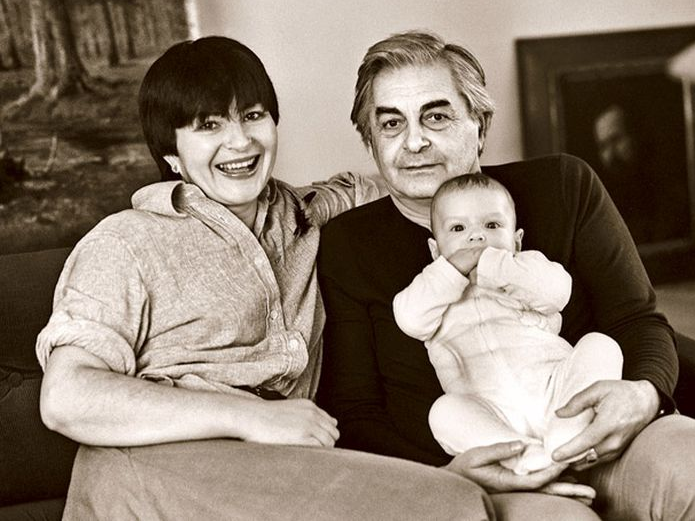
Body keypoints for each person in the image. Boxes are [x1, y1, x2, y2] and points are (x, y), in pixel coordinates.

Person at [35, 36, 498, 520]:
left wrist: (470, 158)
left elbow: (417, 176)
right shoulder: (126, 241)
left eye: (253, 116)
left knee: (450, 496)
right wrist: (253, 417)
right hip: (153, 471)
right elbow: (67, 397)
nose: (240, 142)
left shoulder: (313, 215)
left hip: (277, 474)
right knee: (449, 504)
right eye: (208, 125)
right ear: (170, 152)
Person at [317, 30, 695, 520]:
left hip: (611, 435)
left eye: (436, 116)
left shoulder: (563, 185)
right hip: (484, 473)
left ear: (479, 125)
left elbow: (638, 319)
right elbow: (356, 411)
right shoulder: (346, 245)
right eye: (391, 123)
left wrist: (644, 395)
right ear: (370, 141)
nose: (414, 141)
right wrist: (446, 473)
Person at [393, 172, 623, 476]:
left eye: (492, 225)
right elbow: (409, 318)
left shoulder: (526, 267)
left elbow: (557, 293)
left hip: (556, 390)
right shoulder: (432, 288)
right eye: (458, 228)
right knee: (442, 413)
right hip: (491, 409)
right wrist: (449, 271)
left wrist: (496, 267)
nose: (476, 237)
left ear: (517, 240)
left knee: (601, 344)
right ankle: (523, 454)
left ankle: (570, 429)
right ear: (436, 251)